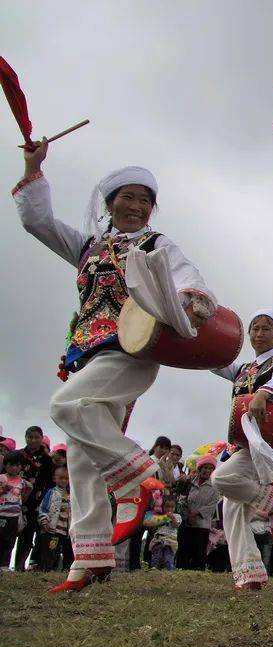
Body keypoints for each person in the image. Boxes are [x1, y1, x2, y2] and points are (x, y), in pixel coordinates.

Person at [14, 140, 217, 592]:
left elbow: (192, 283)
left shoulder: (156, 245)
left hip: (133, 349)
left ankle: (140, 477)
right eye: (127, 197)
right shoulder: (87, 245)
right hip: (86, 352)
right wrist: (33, 166)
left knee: (64, 406)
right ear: (110, 203)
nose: (136, 207)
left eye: (145, 201)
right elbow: (37, 221)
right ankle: (90, 558)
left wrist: (187, 301)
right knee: (83, 458)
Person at [211, 309, 273, 591]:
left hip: (264, 444)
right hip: (241, 443)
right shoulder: (242, 368)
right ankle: (249, 575)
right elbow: (214, 362)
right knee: (230, 508)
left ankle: (267, 501)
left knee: (221, 479)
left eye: (266, 329)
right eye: (255, 329)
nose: (259, 334)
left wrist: (262, 394)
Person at [15, 426, 53, 571]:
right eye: (30, 437)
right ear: (25, 437)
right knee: (11, 534)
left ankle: (20, 566)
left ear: (41, 438)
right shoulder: (18, 455)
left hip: (37, 502)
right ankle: (4, 564)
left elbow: (49, 482)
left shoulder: (47, 460)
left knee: (29, 534)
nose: (33, 440)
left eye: (36, 437)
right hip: (16, 499)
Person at [177, 456, 219, 571]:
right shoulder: (190, 482)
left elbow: (212, 505)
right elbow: (182, 499)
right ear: (200, 468)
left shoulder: (215, 486)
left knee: (199, 553)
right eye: (205, 467)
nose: (208, 470)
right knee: (183, 551)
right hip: (186, 523)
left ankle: (197, 573)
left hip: (202, 525)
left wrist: (195, 514)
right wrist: (187, 515)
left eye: (211, 468)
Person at [37, 466, 72, 572]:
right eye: (61, 478)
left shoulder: (71, 495)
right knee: (50, 550)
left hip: (65, 530)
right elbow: (44, 507)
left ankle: (61, 569)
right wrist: (44, 521)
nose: (64, 481)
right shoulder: (51, 492)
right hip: (52, 529)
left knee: (62, 551)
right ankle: (47, 569)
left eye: (66, 478)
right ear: (54, 479)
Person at [1, 452, 32, 569]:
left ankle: (4, 565)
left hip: (13, 516)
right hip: (2, 514)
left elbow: (27, 492)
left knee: (9, 541)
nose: (14, 468)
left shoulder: (22, 482)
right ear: (5, 465)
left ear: (21, 466)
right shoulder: (2, 478)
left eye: (17, 465)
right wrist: (3, 489)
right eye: (11, 465)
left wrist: (26, 494)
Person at [143, 495, 181, 570]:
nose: (169, 509)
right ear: (163, 506)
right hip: (158, 539)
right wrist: (161, 518)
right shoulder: (159, 516)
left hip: (170, 541)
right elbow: (150, 523)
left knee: (168, 557)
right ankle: (155, 568)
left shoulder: (177, 516)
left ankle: (169, 570)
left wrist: (172, 518)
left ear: (175, 507)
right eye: (167, 507)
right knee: (157, 556)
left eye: (172, 507)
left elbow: (176, 525)